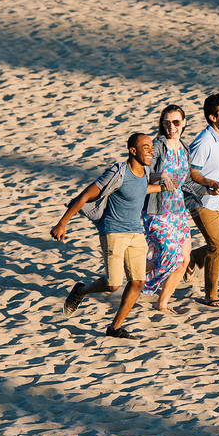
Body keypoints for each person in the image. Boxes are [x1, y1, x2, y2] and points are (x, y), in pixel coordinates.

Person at [50, 133, 164, 339]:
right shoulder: (117, 172)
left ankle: (115, 328)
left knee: (138, 282)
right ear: (133, 151)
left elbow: (139, 190)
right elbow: (85, 195)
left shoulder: (145, 171)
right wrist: (62, 223)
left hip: (136, 233)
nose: (150, 149)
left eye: (151, 146)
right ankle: (80, 291)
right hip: (113, 231)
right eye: (145, 146)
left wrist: (163, 187)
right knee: (113, 285)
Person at [183, 93, 219, 308]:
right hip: (202, 202)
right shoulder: (203, 142)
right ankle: (210, 295)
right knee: (216, 246)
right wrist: (211, 184)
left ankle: (195, 257)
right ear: (212, 118)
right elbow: (191, 174)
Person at [142, 105, 192, 314]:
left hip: (178, 211)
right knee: (172, 255)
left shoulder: (184, 148)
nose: (171, 127)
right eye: (167, 123)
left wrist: (209, 187)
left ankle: (162, 303)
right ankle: (140, 285)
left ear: (184, 123)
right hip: (157, 211)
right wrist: (160, 176)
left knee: (185, 260)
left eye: (176, 122)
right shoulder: (157, 146)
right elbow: (143, 176)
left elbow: (186, 180)